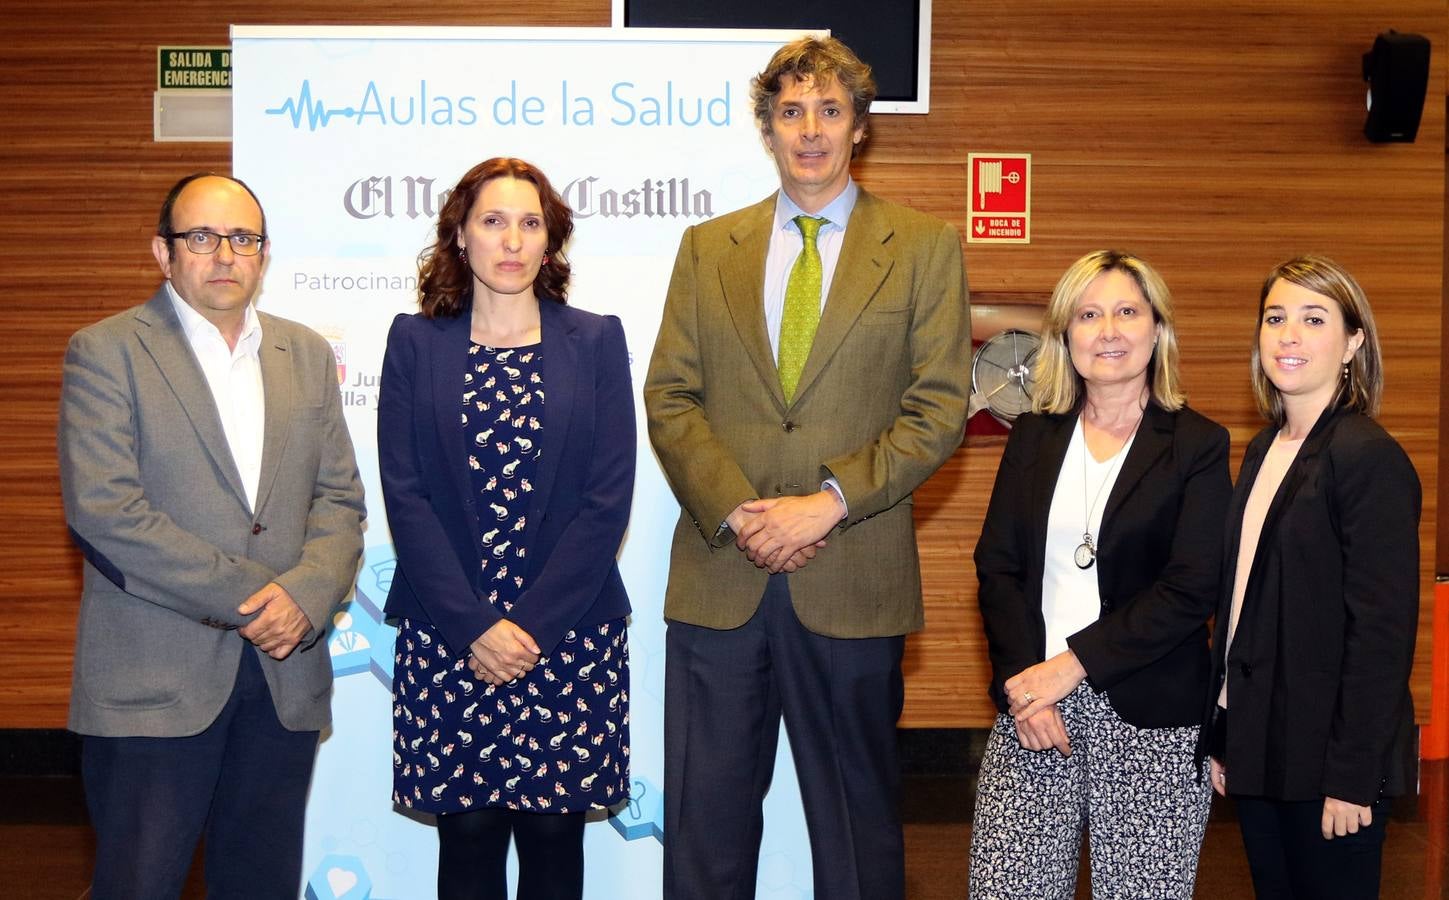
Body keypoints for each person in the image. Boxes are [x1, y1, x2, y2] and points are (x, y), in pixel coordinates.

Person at [644, 36, 971, 900]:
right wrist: (743, 512)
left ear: (859, 126)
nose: (811, 130)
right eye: (791, 112)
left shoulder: (923, 247)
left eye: (830, 110)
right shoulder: (707, 247)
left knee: (856, 835)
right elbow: (670, 397)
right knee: (704, 832)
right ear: (768, 129)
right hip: (722, 577)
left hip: (852, 579)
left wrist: (824, 504)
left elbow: (937, 409)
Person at [57, 173, 366, 899]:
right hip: (152, 683)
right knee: (139, 885)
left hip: (282, 683)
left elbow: (339, 500)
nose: (224, 254)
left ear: (263, 255)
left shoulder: (306, 355)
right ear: (164, 253)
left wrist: (307, 595)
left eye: (243, 239)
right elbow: (107, 510)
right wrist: (265, 598)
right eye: (201, 237)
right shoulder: (107, 351)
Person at [378, 157, 634, 900]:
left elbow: (605, 499)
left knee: (556, 843)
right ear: (459, 236)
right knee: (467, 840)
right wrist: (473, 629)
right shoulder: (414, 343)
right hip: (448, 632)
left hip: (567, 634)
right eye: (492, 221)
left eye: (530, 224)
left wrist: (527, 626)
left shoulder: (594, 341)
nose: (511, 241)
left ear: (551, 242)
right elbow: (407, 495)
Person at [969, 250, 1230, 898]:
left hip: (1150, 717)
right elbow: (996, 565)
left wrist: (1070, 666)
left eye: (1125, 311)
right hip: (1032, 705)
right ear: (1065, 334)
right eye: (1088, 314)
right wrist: (1021, 685)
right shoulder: (1032, 436)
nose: (1107, 330)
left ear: (1156, 330)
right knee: (1007, 888)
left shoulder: (1196, 444)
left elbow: (1190, 586)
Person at [1205, 255, 1419, 899]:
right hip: (1262, 747)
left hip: (1331, 765)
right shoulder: (1264, 449)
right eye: (1275, 318)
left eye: (1313, 318)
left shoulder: (1367, 456)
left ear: (1354, 341)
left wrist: (1353, 776)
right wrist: (1225, 734)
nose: (1289, 335)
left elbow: (1381, 636)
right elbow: (1243, 605)